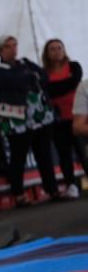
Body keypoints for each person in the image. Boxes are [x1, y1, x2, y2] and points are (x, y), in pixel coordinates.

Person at [0, 34, 60, 207]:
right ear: (1, 50)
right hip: (17, 119)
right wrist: (29, 77)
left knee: (44, 153)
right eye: (9, 46)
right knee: (18, 156)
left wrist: (30, 77)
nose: (14, 49)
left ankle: (52, 189)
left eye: (15, 45)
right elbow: (16, 82)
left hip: (38, 114)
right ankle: (19, 193)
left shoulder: (25, 63)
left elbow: (43, 76)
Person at [42, 38, 83, 199]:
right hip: (58, 119)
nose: (57, 51)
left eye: (59, 48)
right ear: (47, 53)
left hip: (79, 115)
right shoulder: (44, 73)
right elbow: (49, 91)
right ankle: (71, 185)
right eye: (52, 49)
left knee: (83, 151)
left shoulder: (74, 66)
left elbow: (75, 82)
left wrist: (59, 88)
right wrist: (64, 86)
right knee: (64, 154)